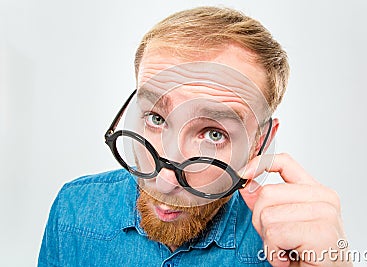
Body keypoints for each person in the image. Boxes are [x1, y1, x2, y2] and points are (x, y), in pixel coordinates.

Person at [39, 6, 351, 267]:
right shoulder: (75, 209)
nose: (164, 182)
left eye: (214, 134)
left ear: (261, 142)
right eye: (157, 118)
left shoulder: (289, 248)